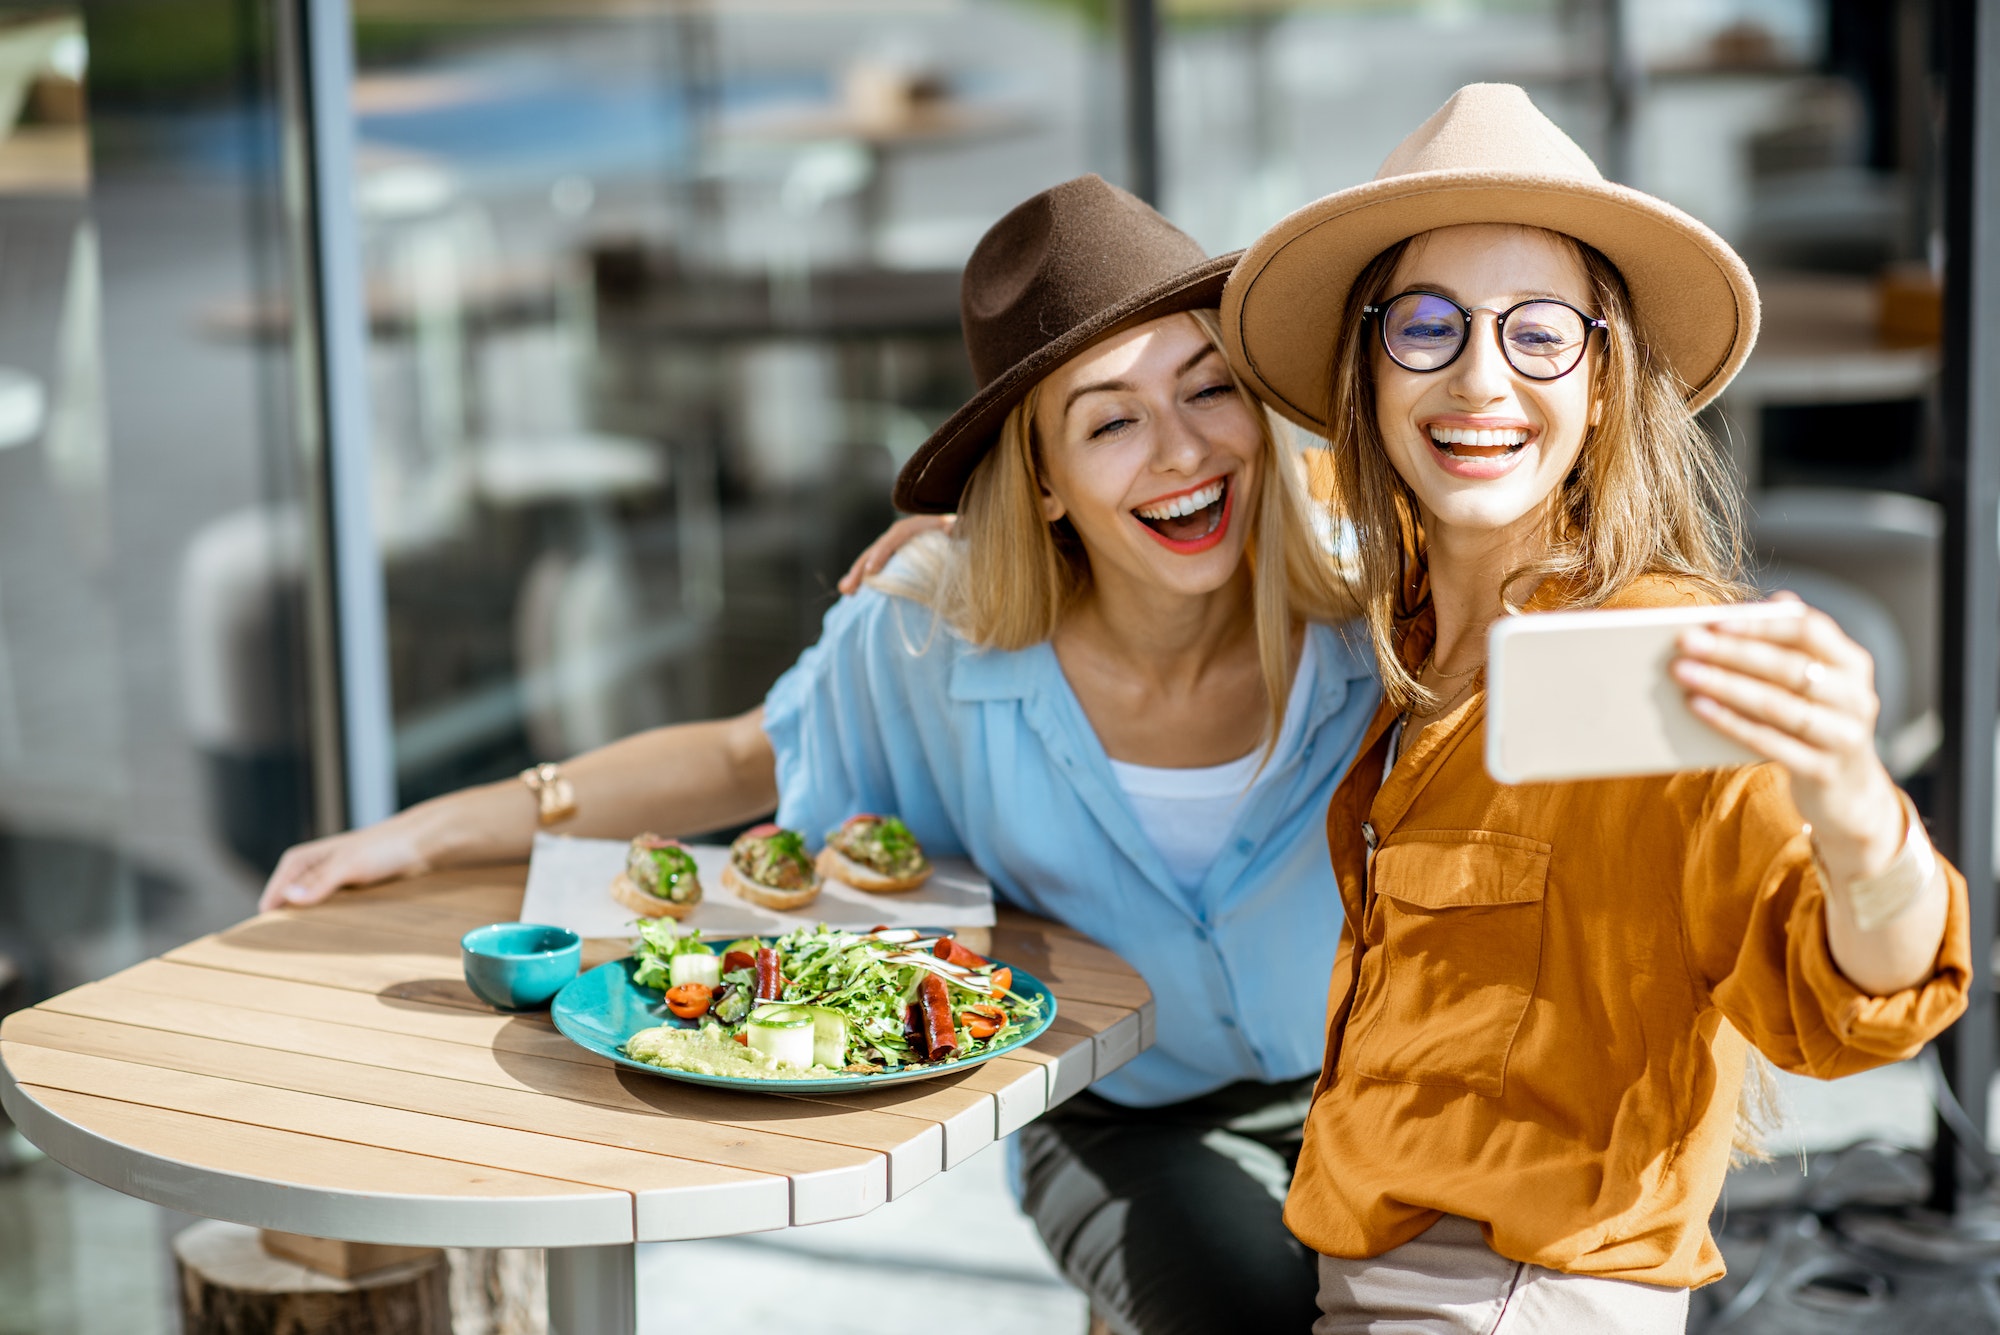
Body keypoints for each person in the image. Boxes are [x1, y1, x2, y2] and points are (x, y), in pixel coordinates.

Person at [259, 175, 1378, 1333]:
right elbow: (743, 758)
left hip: (1380, 1088)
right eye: (1109, 420)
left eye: (1209, 390)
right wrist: (432, 822)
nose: (1181, 451)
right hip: (1121, 1122)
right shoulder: (926, 634)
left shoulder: (1377, 610)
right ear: (1039, 479)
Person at [1214, 84, 1971, 1331]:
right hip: (1372, 1268)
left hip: (1511, 1299)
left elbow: (1857, 1001)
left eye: (1537, 333)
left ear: (1605, 379)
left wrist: (1852, 802)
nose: (1475, 379)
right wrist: (964, 534)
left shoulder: (1655, 663)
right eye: (1425, 325)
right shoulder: (1396, 625)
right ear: (1367, 366)